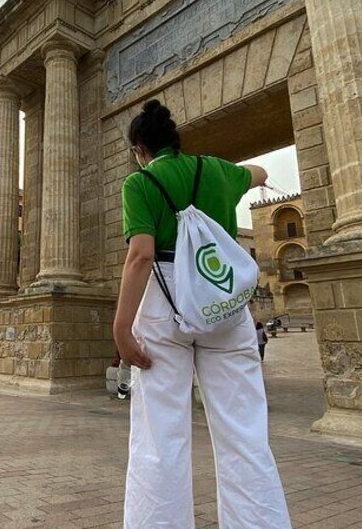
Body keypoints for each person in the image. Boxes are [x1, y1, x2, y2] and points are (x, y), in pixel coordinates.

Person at [115, 100, 291, 527]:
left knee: (160, 436)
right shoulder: (216, 170)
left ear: (140, 149)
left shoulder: (140, 184)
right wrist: (249, 178)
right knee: (245, 432)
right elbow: (259, 173)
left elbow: (140, 257)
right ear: (175, 140)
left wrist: (121, 329)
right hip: (223, 302)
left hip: (166, 303)